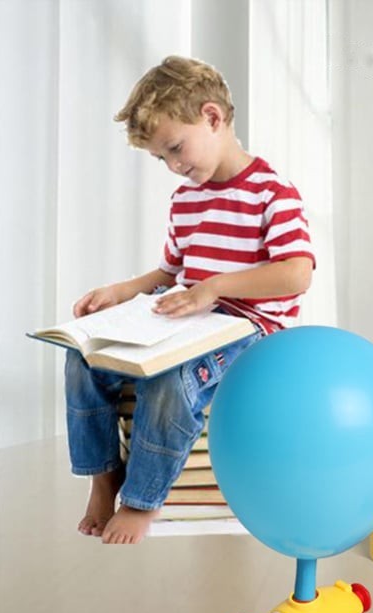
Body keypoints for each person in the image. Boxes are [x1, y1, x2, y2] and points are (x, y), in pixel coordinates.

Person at [66, 55, 315, 544]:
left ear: (213, 117)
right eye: (163, 159)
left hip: (247, 330)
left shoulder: (273, 193)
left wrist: (215, 288)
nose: (174, 166)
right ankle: (103, 478)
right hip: (187, 317)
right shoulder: (186, 199)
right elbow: (171, 272)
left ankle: (141, 499)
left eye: (176, 148)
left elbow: (296, 272)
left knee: (170, 377)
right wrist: (121, 291)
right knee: (82, 359)